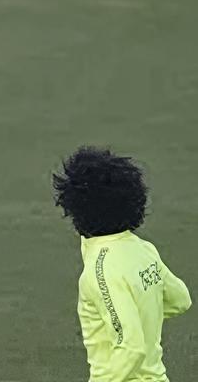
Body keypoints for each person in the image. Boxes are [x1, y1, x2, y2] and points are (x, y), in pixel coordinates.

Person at [53, 146, 191, 381]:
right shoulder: (144, 250)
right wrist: (145, 314)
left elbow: (131, 349)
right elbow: (180, 300)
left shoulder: (100, 270)